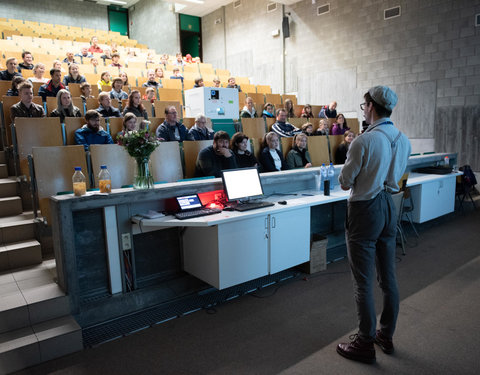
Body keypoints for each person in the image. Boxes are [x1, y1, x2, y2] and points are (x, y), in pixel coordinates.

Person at [336, 86, 411, 364]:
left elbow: (345, 181)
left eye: (363, 105)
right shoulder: (403, 139)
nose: (363, 109)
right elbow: (396, 174)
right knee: (387, 277)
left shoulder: (364, 141)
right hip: (389, 205)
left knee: (363, 281)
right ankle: (386, 334)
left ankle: (365, 342)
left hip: (365, 210)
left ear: (370, 107)